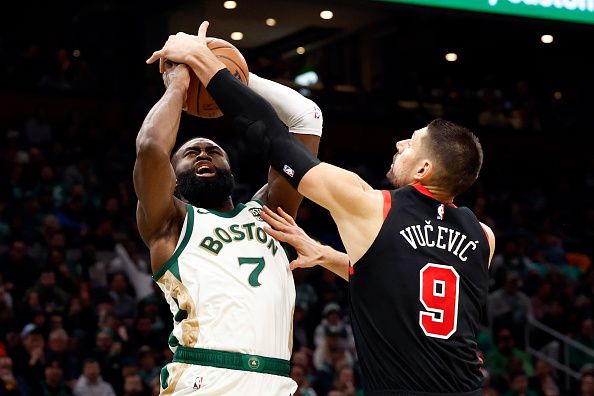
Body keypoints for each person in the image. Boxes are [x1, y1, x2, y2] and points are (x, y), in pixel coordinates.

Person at [147, 21, 495, 395]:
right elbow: (411, 284)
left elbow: (279, 135)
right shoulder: (483, 237)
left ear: (424, 170)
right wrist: (330, 256)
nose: (398, 144)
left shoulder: (372, 206)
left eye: (410, 143)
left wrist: (207, 64)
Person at [138, 42, 322, 394]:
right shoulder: (170, 222)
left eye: (213, 151)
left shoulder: (270, 213)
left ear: (231, 170)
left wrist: (225, 74)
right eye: (191, 152)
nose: (204, 153)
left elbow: (307, 118)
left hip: (275, 382)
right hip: (204, 377)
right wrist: (179, 82)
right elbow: (150, 148)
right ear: (171, 177)